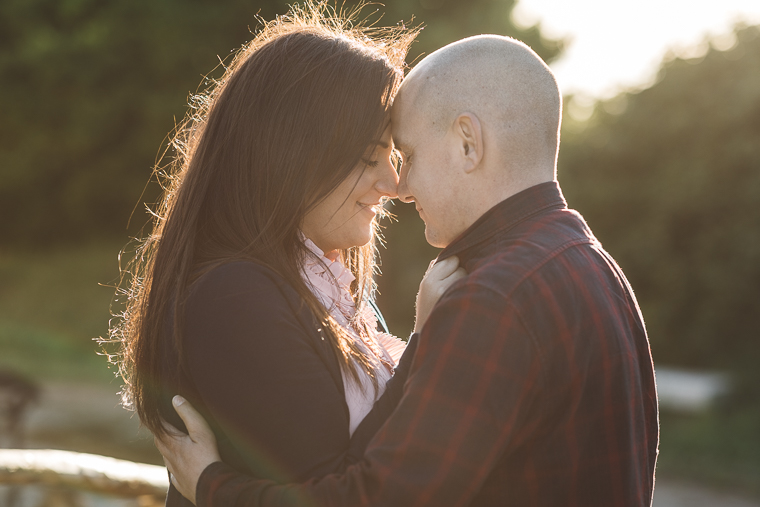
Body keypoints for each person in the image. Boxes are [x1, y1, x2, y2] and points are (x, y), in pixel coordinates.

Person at [157, 34, 660, 507]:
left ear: (468, 142)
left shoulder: (494, 298)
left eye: (408, 155)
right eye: (375, 158)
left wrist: (212, 486)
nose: (400, 184)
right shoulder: (591, 263)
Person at [111, 4, 465, 507]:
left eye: (394, 156)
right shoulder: (234, 298)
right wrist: (426, 347)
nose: (393, 184)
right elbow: (346, 487)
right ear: (292, 157)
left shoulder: (326, 287)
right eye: (369, 157)